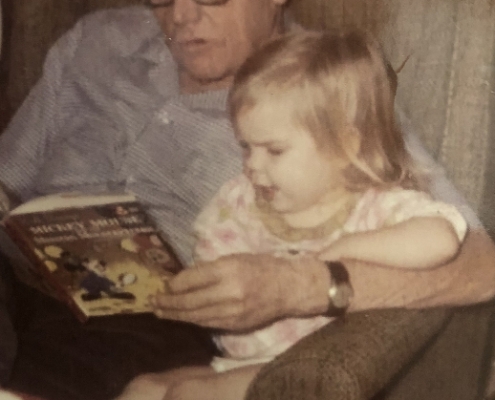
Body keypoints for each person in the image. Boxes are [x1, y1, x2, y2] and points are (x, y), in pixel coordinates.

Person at [0, 0, 494, 399]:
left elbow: (481, 263)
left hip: (150, 324)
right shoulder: (96, 42)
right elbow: (8, 177)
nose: (181, 17)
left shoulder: (326, 93)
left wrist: (307, 283)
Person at [115, 30, 468, 400]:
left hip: (299, 369)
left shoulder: (372, 204)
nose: (252, 165)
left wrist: (345, 249)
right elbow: (210, 249)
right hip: (233, 359)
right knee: (145, 388)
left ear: (344, 146)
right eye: (245, 146)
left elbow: (441, 237)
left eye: (274, 151)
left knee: (187, 396)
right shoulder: (241, 198)